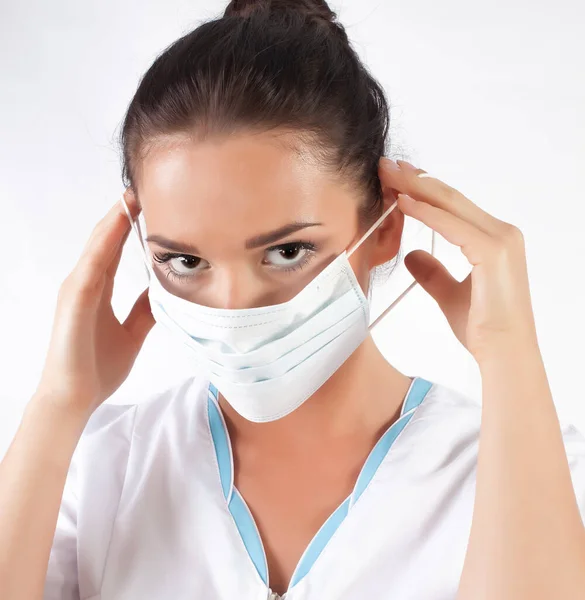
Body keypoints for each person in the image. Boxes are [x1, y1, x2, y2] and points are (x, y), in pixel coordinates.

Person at [1, 1, 585, 599]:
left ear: (385, 224)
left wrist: (510, 357)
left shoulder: (534, 469)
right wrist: (58, 403)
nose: (233, 307)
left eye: (286, 252)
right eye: (186, 260)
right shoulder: (100, 471)